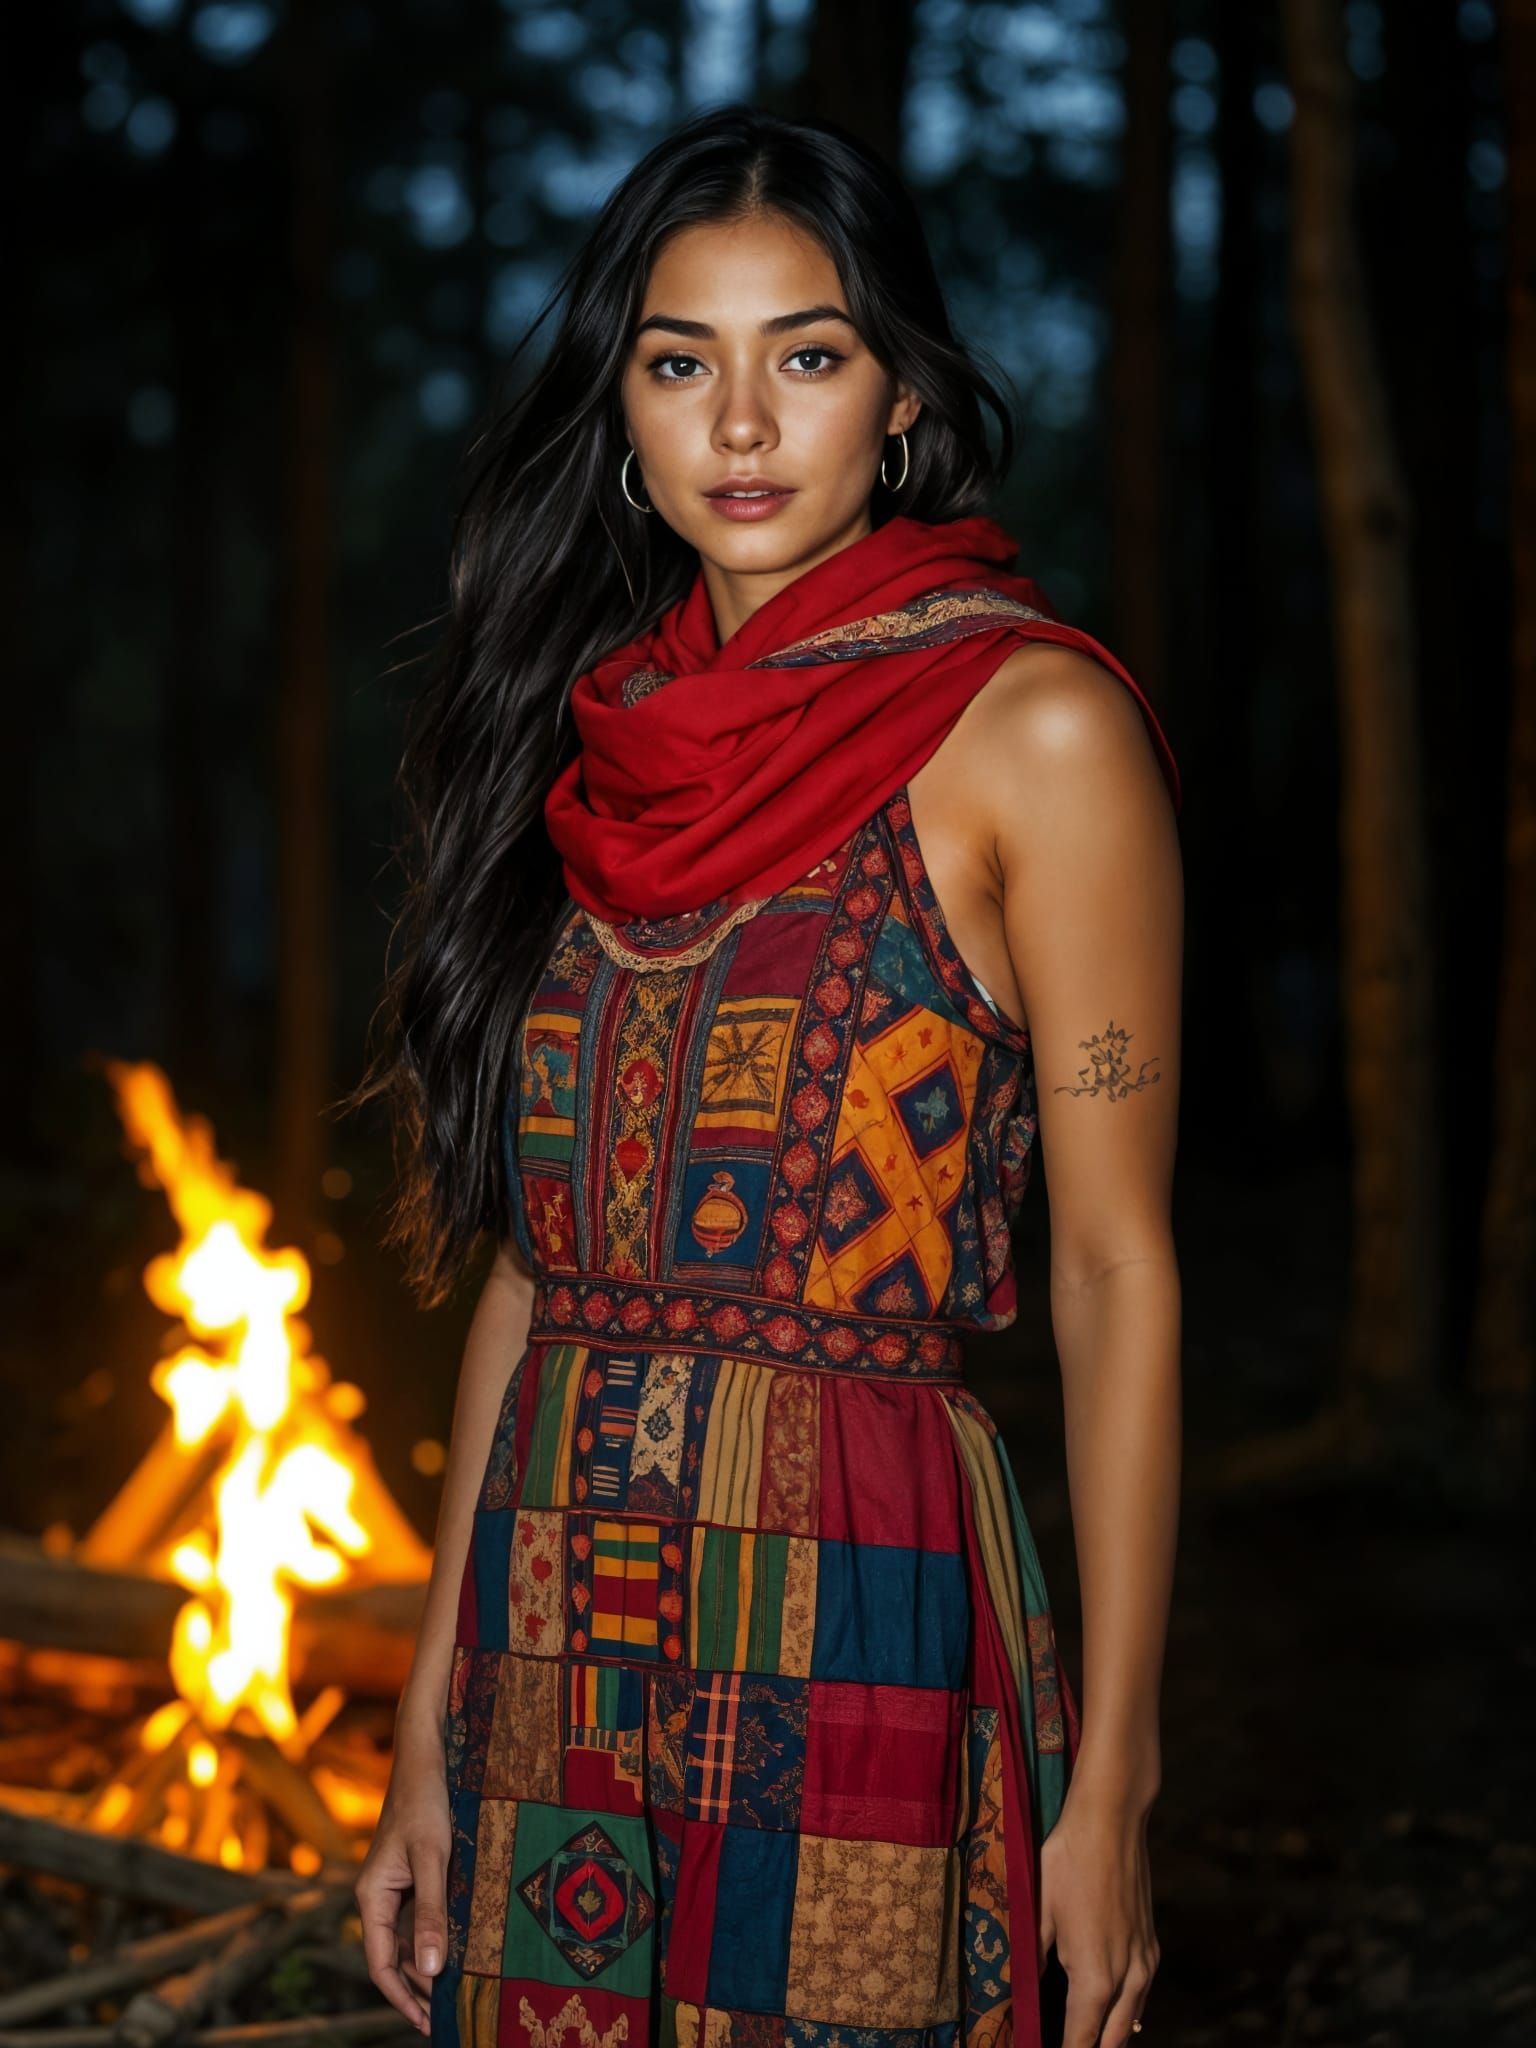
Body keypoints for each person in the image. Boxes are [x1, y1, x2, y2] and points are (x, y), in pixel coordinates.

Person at [352, 102, 1182, 2048]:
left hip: (858, 1595)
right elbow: (532, 1274)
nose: (740, 425)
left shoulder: (1029, 727)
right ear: (622, 413)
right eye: (679, 363)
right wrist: (424, 1716)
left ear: (897, 393)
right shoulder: (599, 746)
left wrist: (1115, 1776)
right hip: (557, 1608)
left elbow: (1117, 1272)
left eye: (805, 355)